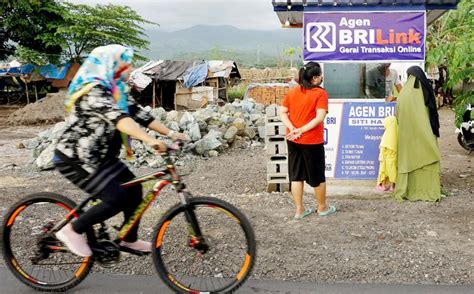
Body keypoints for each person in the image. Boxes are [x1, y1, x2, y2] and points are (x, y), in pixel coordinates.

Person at [54, 44, 186, 257]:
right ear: (112, 64)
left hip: (102, 158)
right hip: (76, 158)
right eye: (127, 63)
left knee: (134, 190)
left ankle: (128, 239)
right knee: (115, 198)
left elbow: (138, 115)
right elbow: (121, 120)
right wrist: (149, 140)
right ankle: (71, 230)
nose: (130, 67)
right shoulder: (93, 90)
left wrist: (170, 135)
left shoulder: (116, 91)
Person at [279, 62, 336, 220]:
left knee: (296, 175)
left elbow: (282, 112)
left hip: (293, 140)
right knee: (317, 176)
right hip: (311, 141)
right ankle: (322, 207)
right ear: (315, 78)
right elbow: (319, 117)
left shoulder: (293, 92)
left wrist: (292, 128)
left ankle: (299, 210)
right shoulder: (320, 93)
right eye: (320, 75)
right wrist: (301, 130)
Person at [393, 66, 441, 202]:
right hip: (426, 137)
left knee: (408, 160)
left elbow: (398, 115)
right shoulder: (426, 92)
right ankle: (429, 190)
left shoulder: (404, 95)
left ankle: (408, 190)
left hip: (407, 138)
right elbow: (433, 114)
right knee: (428, 157)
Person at [375, 116, 398, 192]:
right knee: (393, 170)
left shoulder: (386, 134)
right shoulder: (396, 133)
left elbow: (382, 146)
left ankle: (383, 186)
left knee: (383, 170)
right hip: (393, 157)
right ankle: (392, 187)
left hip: (385, 156)